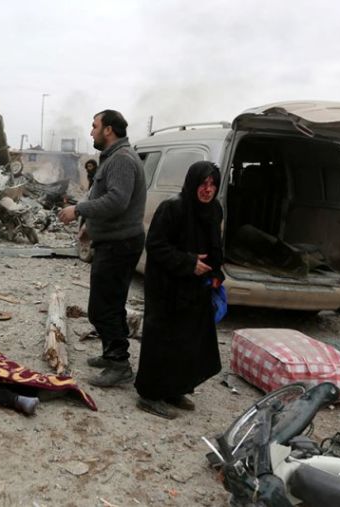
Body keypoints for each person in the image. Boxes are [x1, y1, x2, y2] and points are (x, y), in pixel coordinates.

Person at [58, 109, 146, 387]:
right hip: (114, 241)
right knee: (110, 304)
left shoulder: (121, 160)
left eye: (95, 126)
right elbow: (106, 198)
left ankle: (119, 363)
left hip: (120, 244)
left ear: (108, 129)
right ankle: (112, 355)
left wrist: (78, 210)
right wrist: (89, 227)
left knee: (101, 308)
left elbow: (117, 202)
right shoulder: (112, 158)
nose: (91, 131)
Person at [134, 161, 224, 419]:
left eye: (212, 184)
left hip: (195, 289)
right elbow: (156, 246)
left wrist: (216, 272)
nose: (208, 190)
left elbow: (216, 244)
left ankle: (175, 389)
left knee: (187, 341)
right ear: (193, 183)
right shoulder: (172, 208)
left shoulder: (214, 209)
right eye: (203, 184)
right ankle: (149, 394)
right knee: (162, 340)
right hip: (166, 288)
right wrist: (189, 262)